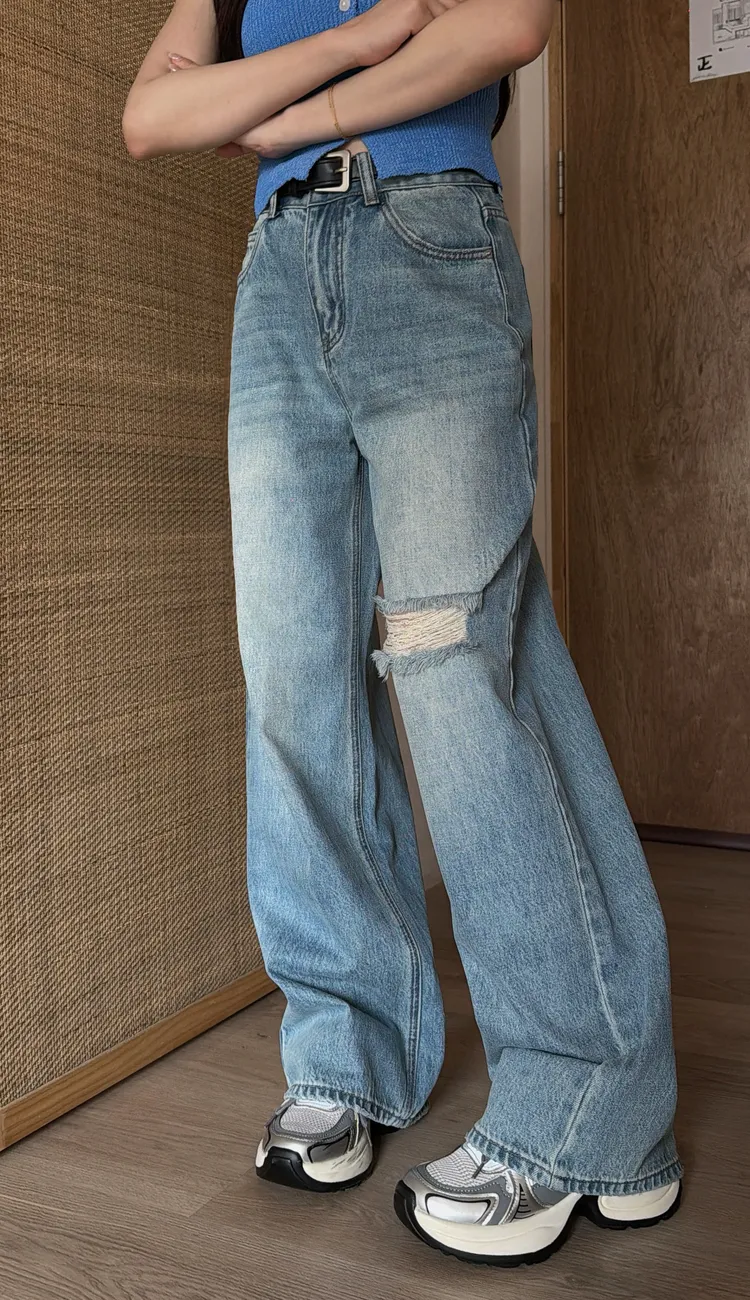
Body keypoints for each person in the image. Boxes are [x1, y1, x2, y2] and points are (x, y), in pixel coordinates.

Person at [122, 0, 683, 1267]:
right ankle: (348, 1051)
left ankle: (593, 1106)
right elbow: (153, 116)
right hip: (278, 274)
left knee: (458, 661)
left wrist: (280, 107)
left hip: (428, 234)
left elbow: (506, 27)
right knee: (293, 676)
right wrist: (364, 44)